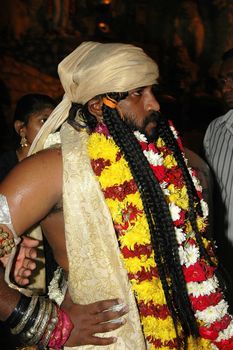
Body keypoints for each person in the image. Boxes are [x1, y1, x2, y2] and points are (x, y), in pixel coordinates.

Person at [0, 41, 233, 349]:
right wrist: (48, 324)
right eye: (138, 93)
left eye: (152, 90)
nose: (155, 105)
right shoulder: (52, 167)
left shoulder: (164, 159)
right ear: (98, 105)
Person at [203, 48, 233, 288]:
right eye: (222, 81)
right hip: (225, 256)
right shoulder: (215, 130)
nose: (225, 88)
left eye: (232, 78)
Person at [0, 93, 58, 182]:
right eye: (44, 121)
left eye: (56, 122)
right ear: (21, 128)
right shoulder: (4, 167)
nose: (52, 128)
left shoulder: (55, 161)